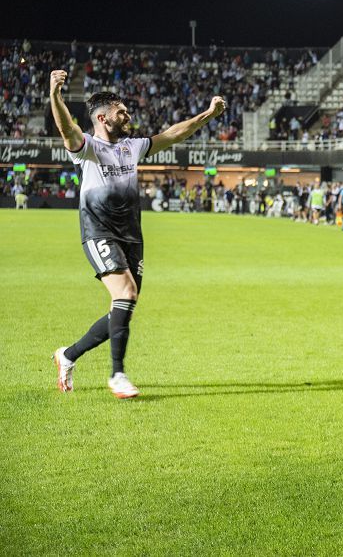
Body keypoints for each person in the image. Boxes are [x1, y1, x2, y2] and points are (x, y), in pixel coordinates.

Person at [49, 69, 225, 398]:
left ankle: (67, 355)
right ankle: (117, 375)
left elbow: (173, 134)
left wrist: (208, 114)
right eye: (121, 111)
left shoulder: (133, 147)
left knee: (124, 304)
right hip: (99, 231)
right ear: (102, 117)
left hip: (132, 236)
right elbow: (66, 128)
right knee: (125, 295)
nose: (128, 114)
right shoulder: (87, 148)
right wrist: (55, 96)